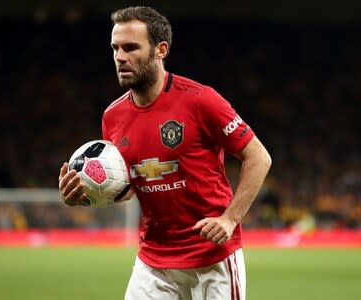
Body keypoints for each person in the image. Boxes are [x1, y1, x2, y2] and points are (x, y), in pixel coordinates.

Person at [58, 6, 271, 300]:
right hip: (154, 261)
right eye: (115, 48)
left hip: (212, 258)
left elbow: (259, 157)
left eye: (131, 48)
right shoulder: (113, 116)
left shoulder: (201, 100)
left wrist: (230, 219)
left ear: (160, 50)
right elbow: (131, 185)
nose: (120, 57)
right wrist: (87, 196)